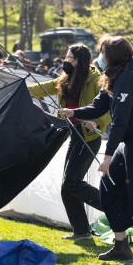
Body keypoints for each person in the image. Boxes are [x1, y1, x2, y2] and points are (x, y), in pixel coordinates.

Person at [58, 34, 133, 265]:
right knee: (108, 188)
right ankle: (121, 245)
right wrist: (74, 112)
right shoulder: (114, 77)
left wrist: (107, 158)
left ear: (113, 56)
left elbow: (120, 123)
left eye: (103, 53)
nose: (100, 57)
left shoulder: (128, 78)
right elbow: (98, 106)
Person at [28, 44, 111, 240]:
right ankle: (81, 231)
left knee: (72, 183)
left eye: (69, 58)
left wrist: (97, 121)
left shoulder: (96, 80)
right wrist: (18, 89)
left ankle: (115, 206)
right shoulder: (65, 79)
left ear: (79, 60)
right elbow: (41, 89)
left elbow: (109, 110)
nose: (65, 60)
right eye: (65, 57)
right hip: (74, 135)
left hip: (89, 137)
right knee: (68, 186)